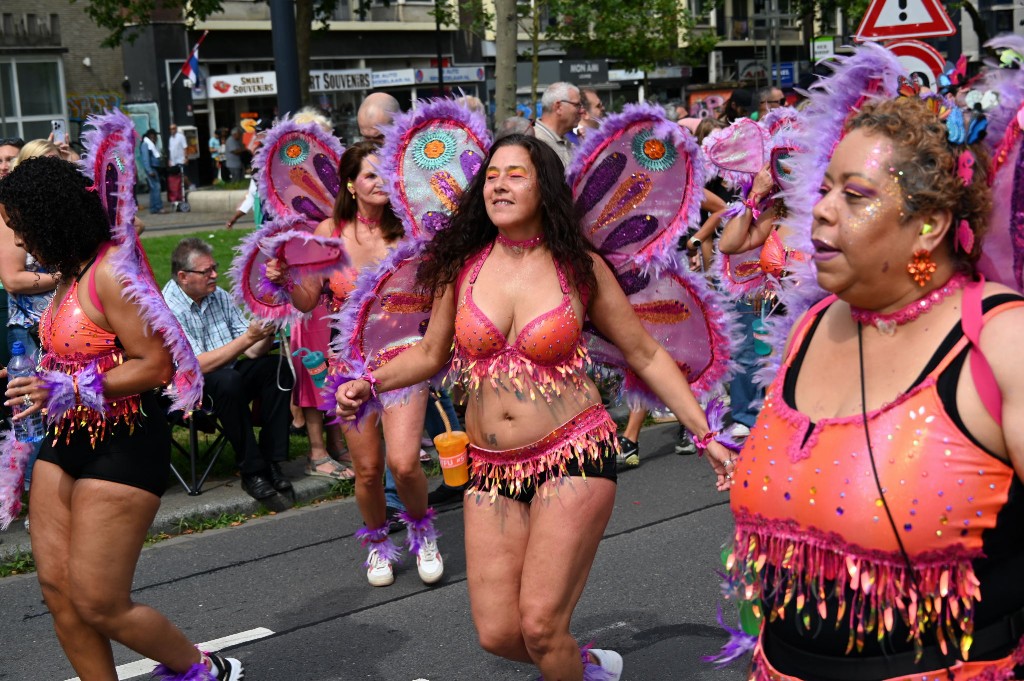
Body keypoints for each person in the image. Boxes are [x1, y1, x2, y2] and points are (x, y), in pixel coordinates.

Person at [335, 134, 734, 680]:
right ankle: (588, 666)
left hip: (574, 454)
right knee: (500, 633)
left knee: (542, 628)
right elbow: (429, 354)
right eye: (493, 175)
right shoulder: (462, 266)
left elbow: (644, 352)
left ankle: (569, 661)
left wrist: (706, 434)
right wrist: (367, 381)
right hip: (489, 468)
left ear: (544, 187)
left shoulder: (579, 267)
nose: (499, 184)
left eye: (516, 174)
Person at [729, 96, 1024, 680]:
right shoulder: (811, 328)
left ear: (929, 225)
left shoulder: (1000, 342)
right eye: (825, 189)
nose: (820, 212)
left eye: (855, 196)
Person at [0, 156, 243, 681]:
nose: (19, 241)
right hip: (66, 436)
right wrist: (37, 376)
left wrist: (65, 386)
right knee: (59, 594)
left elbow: (155, 365)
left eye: (22, 227)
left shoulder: (113, 272)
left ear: (51, 217)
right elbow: (81, 352)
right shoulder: (70, 273)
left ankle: (202, 669)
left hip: (125, 442)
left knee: (99, 601)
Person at [265, 141, 444, 588]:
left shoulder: (410, 229)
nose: (381, 181)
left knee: (403, 465)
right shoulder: (329, 231)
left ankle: (423, 532)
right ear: (350, 184)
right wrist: (286, 277)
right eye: (370, 175)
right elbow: (308, 300)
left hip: (404, 357)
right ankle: (379, 542)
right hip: (349, 366)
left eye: (386, 173)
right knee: (366, 469)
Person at [162, 238, 295, 505]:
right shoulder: (167, 306)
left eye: (215, 268)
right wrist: (248, 339)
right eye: (207, 271)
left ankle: (272, 461)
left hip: (227, 378)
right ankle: (252, 470)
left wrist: (266, 330)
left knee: (275, 368)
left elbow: (252, 352)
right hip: (189, 389)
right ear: (183, 277)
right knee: (228, 380)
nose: (214, 275)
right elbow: (195, 366)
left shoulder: (218, 296)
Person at [534, 81, 584, 167]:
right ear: (558, 107)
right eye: (577, 105)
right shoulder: (536, 143)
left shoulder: (566, 142)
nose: (582, 111)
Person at [141, 129, 166, 214]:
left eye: (155, 137)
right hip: (151, 169)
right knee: (156, 188)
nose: (154, 138)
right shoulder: (146, 144)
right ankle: (158, 207)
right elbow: (145, 159)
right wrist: (149, 170)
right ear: (148, 136)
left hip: (154, 168)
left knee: (154, 189)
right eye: (152, 136)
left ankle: (153, 208)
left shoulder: (150, 145)